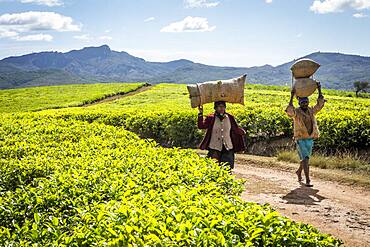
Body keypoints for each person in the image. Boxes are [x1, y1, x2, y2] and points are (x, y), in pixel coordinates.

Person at [286, 81, 326, 187]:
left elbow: (320, 105)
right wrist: (291, 96)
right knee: (306, 159)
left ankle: (299, 172)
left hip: (309, 138)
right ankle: (308, 180)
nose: (305, 104)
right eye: (303, 102)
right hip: (300, 138)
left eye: (306, 102)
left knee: (306, 158)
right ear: (299, 103)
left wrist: (319, 89)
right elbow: (289, 111)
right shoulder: (296, 112)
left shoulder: (311, 111)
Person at [197, 101, 246, 171]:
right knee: (213, 169)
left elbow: (235, 129)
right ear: (215, 108)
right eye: (219, 106)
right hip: (214, 147)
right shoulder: (211, 118)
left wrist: (242, 132)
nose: (221, 108)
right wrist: (200, 114)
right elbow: (201, 126)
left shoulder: (230, 117)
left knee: (227, 169)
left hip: (228, 147)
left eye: (223, 106)